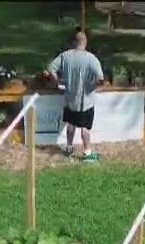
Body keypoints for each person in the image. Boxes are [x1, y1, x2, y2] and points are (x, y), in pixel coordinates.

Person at [47, 30, 104, 162]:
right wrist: (92, 86)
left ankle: (68, 148)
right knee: (85, 127)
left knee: (71, 124)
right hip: (86, 100)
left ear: (74, 42)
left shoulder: (65, 56)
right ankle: (87, 152)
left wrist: (58, 82)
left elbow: (50, 69)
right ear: (85, 42)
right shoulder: (91, 59)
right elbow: (101, 79)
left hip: (69, 97)